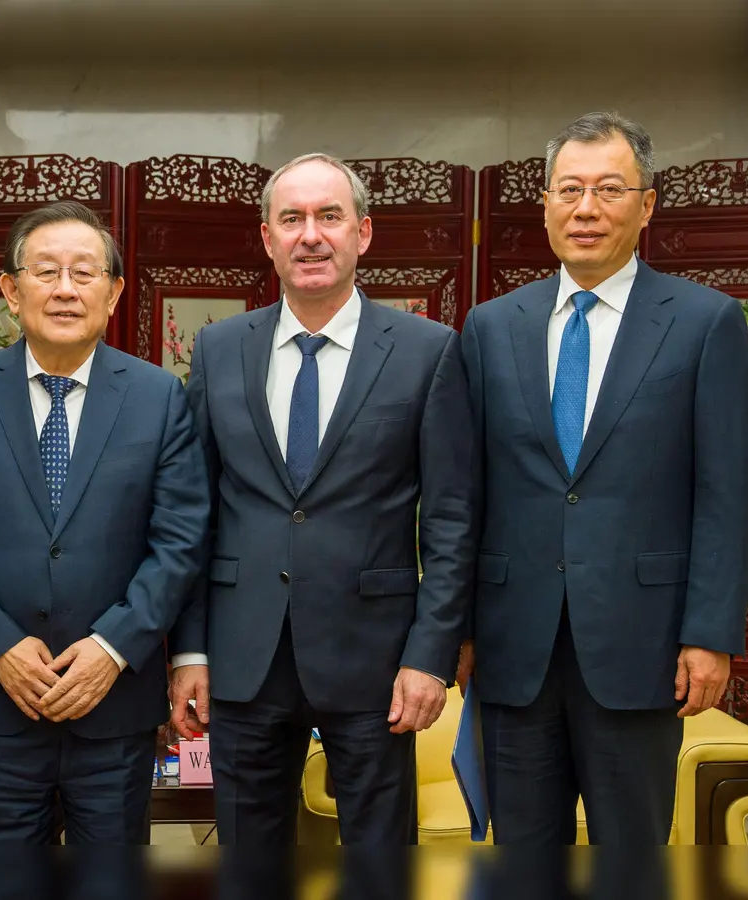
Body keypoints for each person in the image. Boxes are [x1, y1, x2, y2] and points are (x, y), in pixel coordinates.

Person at [459, 111, 748, 844]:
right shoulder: (492, 326)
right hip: (512, 646)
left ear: (647, 205)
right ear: (546, 204)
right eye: (568, 189)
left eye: (608, 190)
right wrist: (454, 630)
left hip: (644, 644)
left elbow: (729, 492)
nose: (585, 209)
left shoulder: (703, 322)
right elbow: (461, 495)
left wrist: (711, 634)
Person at [168, 153, 476, 845]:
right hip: (244, 653)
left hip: (376, 658)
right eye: (293, 219)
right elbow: (195, 512)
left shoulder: (428, 352)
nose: (311, 235)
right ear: (267, 237)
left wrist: (431, 652)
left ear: (362, 234)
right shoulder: (219, 350)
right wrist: (188, 653)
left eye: (329, 217)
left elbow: (453, 519)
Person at [0, 201, 209, 843]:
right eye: (46, 272)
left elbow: (180, 538)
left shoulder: (159, 397)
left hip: (114, 705)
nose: (66, 289)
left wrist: (113, 647)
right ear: (11, 292)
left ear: (115, 291)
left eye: (85, 272)